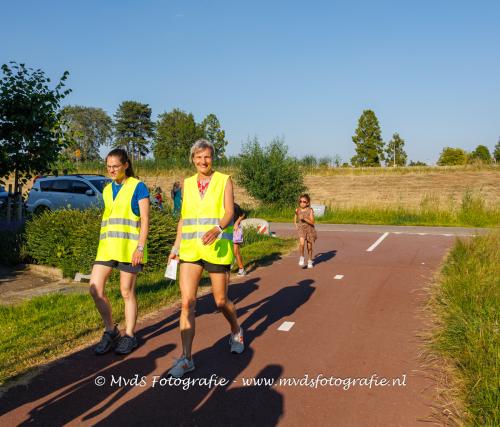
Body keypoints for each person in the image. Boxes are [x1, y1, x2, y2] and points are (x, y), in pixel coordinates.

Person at [167, 139, 244, 378]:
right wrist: (176, 246)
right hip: (191, 251)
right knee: (188, 302)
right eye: (199, 157)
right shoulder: (187, 184)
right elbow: (184, 218)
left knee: (220, 301)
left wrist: (218, 230)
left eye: (207, 157)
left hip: (216, 249)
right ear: (192, 159)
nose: (203, 161)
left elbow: (230, 212)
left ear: (213, 158)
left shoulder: (224, 180)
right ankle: (187, 357)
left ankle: (236, 330)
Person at [89, 148, 150, 355]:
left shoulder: (138, 187)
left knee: (126, 292)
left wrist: (140, 247)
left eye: (115, 166)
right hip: (107, 248)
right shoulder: (107, 190)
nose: (112, 170)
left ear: (126, 165)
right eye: (108, 167)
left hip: (129, 248)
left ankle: (130, 335)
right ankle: (111, 330)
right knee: (94, 288)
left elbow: (145, 221)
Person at [293, 194, 317, 269]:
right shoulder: (297, 210)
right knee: (302, 244)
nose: (302, 203)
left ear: (308, 203)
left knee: (309, 247)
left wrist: (304, 218)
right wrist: (296, 225)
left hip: (309, 229)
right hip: (301, 229)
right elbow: (295, 218)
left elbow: (313, 222)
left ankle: (309, 260)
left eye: (304, 201)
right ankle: (302, 257)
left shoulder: (310, 210)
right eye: (300, 201)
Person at [233, 203, 247, 276]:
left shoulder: (235, 206)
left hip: (235, 230)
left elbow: (243, 214)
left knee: (235, 250)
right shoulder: (219, 205)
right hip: (224, 231)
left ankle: (241, 269)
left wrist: (236, 223)